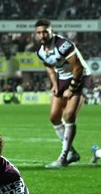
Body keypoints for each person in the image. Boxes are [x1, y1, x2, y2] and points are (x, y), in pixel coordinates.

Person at [34, 19, 91, 168]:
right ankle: (72, 152)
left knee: (69, 115)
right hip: (62, 78)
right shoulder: (40, 51)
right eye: (39, 32)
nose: (42, 35)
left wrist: (71, 88)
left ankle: (63, 157)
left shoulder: (63, 45)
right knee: (54, 117)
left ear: (51, 31)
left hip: (81, 77)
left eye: (45, 31)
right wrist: (54, 84)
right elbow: (48, 66)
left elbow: (78, 67)